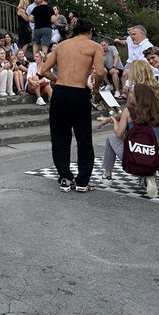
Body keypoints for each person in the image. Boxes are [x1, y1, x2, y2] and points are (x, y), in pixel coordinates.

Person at [39, 19, 105, 192]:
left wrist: (58, 80)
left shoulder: (61, 45)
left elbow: (43, 70)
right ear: (90, 31)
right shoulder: (94, 46)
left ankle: (65, 177)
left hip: (60, 92)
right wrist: (96, 89)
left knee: (60, 136)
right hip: (78, 91)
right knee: (83, 137)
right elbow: (100, 72)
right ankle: (82, 181)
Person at [101, 83, 159, 198]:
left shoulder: (129, 111)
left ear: (139, 96)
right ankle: (148, 176)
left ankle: (107, 175)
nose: (129, 95)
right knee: (147, 148)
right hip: (151, 154)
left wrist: (114, 121)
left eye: (131, 93)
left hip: (132, 156)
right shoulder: (158, 111)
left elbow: (119, 134)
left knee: (111, 138)